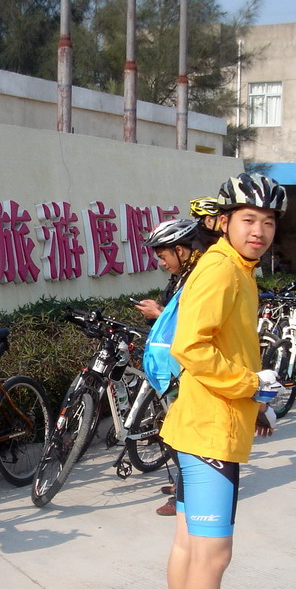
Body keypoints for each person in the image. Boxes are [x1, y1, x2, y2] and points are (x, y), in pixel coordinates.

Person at [162, 172, 284, 589]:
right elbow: (191, 347)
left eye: (269, 221)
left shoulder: (234, 266)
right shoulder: (222, 269)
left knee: (189, 546)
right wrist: (250, 386)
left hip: (202, 422)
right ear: (224, 222)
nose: (259, 231)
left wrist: (255, 401)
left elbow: (228, 346)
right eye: (249, 219)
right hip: (211, 431)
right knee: (212, 557)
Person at [133, 217, 208, 516]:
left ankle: (186, 495)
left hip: (193, 370)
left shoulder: (200, 279)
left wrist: (159, 312)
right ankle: (184, 487)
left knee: (180, 435)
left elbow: (195, 324)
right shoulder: (185, 275)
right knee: (176, 432)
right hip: (182, 369)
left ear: (180, 249)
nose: (162, 263)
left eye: (164, 256)